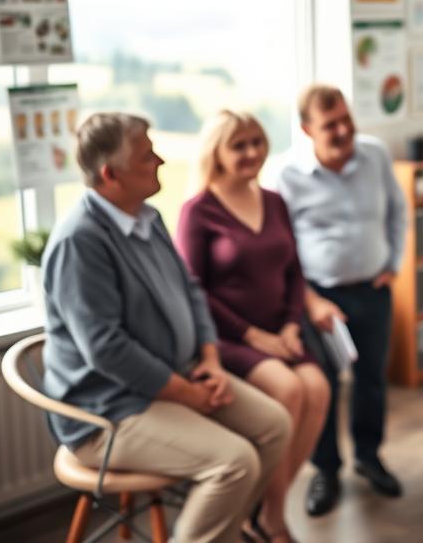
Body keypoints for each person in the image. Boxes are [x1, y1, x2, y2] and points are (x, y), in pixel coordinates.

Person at [42, 112, 292, 543]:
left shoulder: (148, 217)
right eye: (146, 156)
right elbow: (105, 348)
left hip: (176, 377)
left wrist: (211, 361)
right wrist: (186, 392)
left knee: (275, 425)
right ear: (111, 174)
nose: (159, 160)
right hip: (107, 410)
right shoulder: (79, 242)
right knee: (235, 462)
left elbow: (191, 290)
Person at [175, 110, 332, 542]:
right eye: (238, 145)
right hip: (225, 339)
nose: (251, 153)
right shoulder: (197, 211)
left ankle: (261, 508)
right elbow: (194, 291)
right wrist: (252, 336)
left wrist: (289, 327)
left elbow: (294, 272)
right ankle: (274, 521)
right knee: (288, 390)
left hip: (281, 333)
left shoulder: (274, 200)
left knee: (318, 390)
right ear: (217, 154)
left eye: (257, 142)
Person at [276, 85, 407, 517]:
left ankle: (369, 458)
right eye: (330, 124)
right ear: (307, 129)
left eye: (345, 119)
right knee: (325, 387)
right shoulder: (286, 176)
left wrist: (393, 262)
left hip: (373, 289)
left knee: (371, 379)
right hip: (320, 299)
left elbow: (397, 211)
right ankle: (325, 471)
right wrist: (309, 300)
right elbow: (283, 250)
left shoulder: (375, 154)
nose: (342, 130)